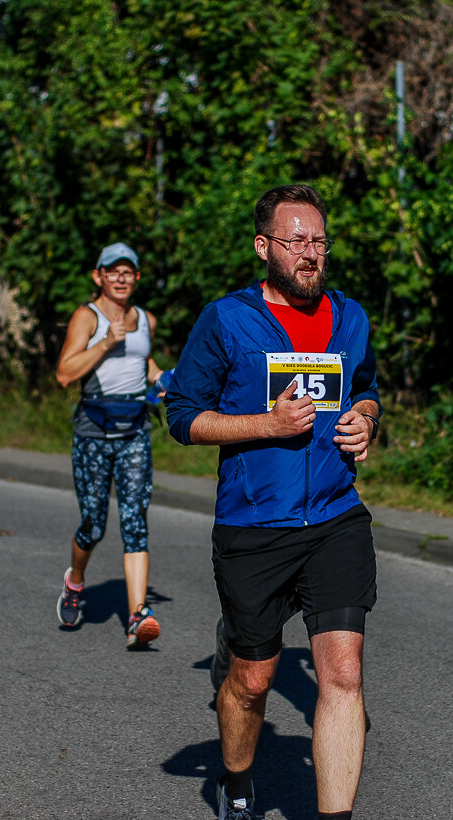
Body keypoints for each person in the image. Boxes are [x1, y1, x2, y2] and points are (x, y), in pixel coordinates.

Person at [167, 184, 381, 820]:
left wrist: (365, 419)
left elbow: (367, 389)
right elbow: (182, 418)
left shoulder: (351, 317)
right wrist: (265, 424)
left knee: (343, 674)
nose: (310, 254)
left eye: (319, 241)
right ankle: (236, 778)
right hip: (253, 526)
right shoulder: (226, 320)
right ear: (265, 247)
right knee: (253, 679)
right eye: (296, 242)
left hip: (336, 518)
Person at [55, 242, 169, 649]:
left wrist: (161, 380)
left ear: (136, 278)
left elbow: (144, 362)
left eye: (128, 272)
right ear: (98, 277)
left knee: (135, 521)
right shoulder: (88, 317)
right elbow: (64, 374)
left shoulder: (146, 321)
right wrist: (104, 343)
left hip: (134, 431)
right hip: (92, 433)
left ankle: (138, 615)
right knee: (93, 523)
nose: (121, 278)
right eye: (113, 271)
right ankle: (76, 582)